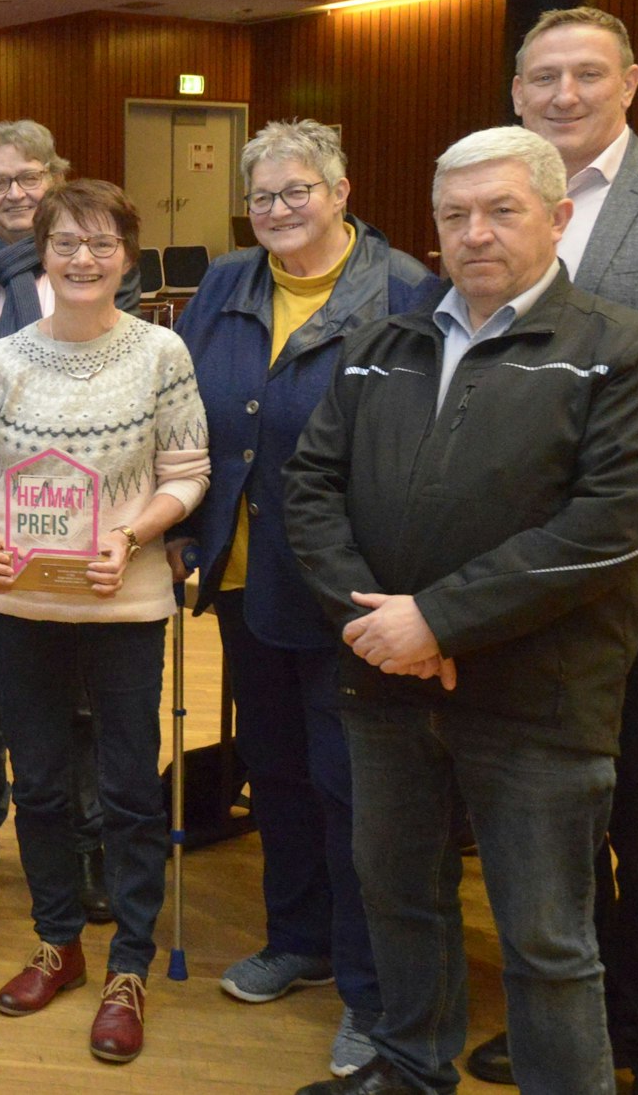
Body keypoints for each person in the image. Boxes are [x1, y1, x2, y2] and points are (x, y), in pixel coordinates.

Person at [286, 126, 638, 1095]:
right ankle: (408, 1067)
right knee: (399, 899)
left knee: (547, 941)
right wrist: (376, 624)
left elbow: (606, 530)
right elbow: (310, 489)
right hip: (384, 683)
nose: (474, 233)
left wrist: (436, 621)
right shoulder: (377, 347)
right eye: (454, 214)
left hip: (538, 700)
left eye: (501, 210)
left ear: (556, 217)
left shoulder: (628, 350)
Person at [169, 118, 439, 1079]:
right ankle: (298, 939)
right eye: (263, 196)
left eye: (298, 191)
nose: (279, 209)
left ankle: (372, 988)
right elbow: (186, 408)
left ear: (341, 191)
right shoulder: (226, 284)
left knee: (353, 788)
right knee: (277, 768)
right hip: (247, 579)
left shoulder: (403, 290)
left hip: (354, 592)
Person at [462, 7, 638, 1095]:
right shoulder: (487, 200)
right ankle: (574, 1029)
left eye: (586, 74)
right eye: (541, 76)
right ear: (516, 91)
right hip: (524, 576)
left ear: (630, 81)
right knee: (550, 817)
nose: (563, 94)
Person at [0, 179, 208, 1065]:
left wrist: (132, 536)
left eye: (102, 243)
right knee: (39, 785)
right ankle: (58, 942)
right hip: (19, 605)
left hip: (123, 603)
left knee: (131, 789)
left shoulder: (161, 353)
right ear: (42, 254)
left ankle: (128, 965)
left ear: (127, 258)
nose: (83, 259)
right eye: (65, 242)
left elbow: (188, 472)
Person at [0, 119, 137, 910]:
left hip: (77, 520)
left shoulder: (92, 268)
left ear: (56, 179)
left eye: (29, 177)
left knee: (77, 700)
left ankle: (87, 844)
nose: (14, 193)